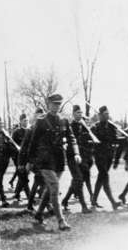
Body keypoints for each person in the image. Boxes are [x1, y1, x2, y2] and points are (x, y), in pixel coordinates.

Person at [26, 93, 81, 230]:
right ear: (48, 104)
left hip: (59, 160)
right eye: (54, 103)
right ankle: (61, 221)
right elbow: (33, 143)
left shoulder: (64, 120)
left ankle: (39, 214)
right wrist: (30, 161)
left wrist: (76, 152)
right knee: (55, 187)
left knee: (51, 189)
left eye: (58, 104)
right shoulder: (41, 121)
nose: (56, 106)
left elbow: (71, 138)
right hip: (45, 160)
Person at [61, 105, 93, 214]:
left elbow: (86, 139)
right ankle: (84, 206)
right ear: (73, 113)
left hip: (81, 156)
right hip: (72, 157)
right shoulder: (70, 125)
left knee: (77, 180)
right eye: (78, 112)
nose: (80, 114)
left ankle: (65, 201)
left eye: (81, 112)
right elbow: (69, 141)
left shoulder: (82, 125)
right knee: (78, 179)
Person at [90, 106, 122, 210]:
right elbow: (91, 140)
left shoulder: (112, 127)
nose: (107, 116)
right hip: (99, 156)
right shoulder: (95, 127)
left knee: (101, 177)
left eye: (108, 114)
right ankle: (113, 202)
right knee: (105, 176)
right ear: (99, 115)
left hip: (108, 156)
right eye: (104, 114)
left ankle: (94, 200)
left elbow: (115, 140)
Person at [11, 113, 30, 201]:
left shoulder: (29, 131)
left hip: (27, 158)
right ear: (20, 121)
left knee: (23, 177)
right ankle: (30, 198)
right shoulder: (16, 132)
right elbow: (12, 145)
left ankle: (17, 194)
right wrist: (16, 153)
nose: (26, 122)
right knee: (24, 177)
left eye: (27, 120)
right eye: (24, 121)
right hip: (18, 158)